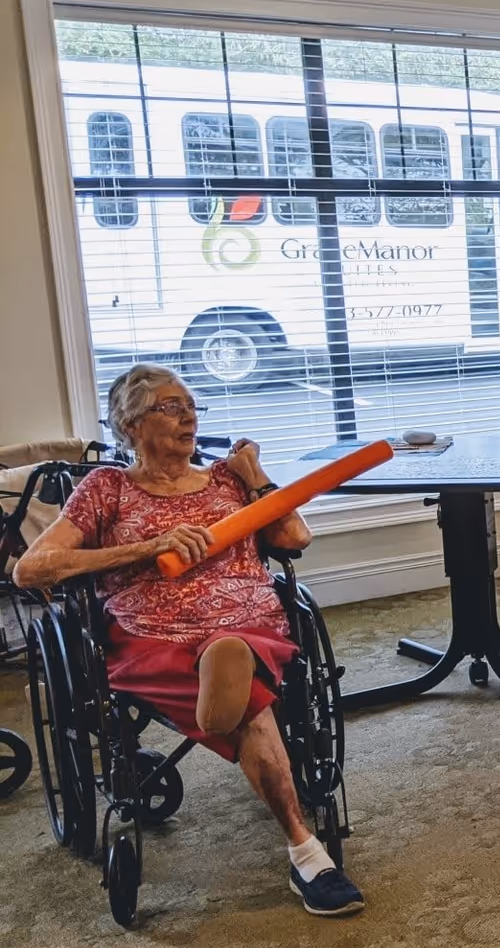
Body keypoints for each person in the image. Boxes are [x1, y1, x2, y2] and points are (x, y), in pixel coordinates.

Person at [13, 364, 364, 917]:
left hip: (248, 624)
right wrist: (145, 548)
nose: (189, 417)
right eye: (171, 407)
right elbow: (31, 570)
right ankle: (304, 849)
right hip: (153, 638)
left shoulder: (227, 479)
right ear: (131, 423)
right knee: (246, 692)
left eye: (192, 407)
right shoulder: (107, 489)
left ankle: (226, 690)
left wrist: (257, 476)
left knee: (233, 652)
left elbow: (294, 537)